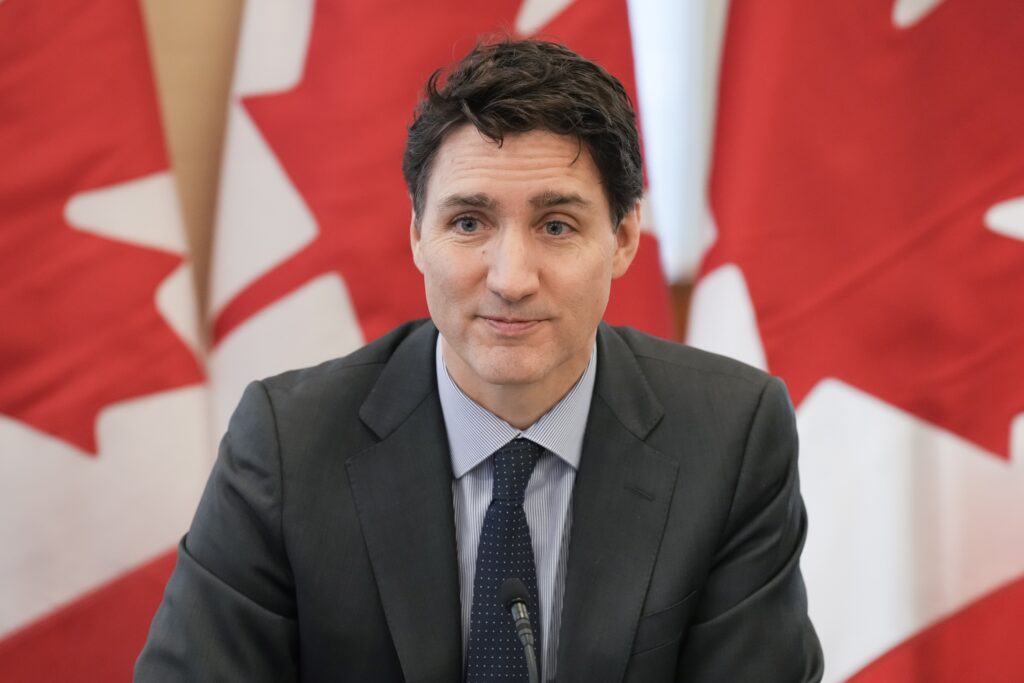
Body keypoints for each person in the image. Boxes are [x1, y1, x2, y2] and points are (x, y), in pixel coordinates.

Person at [135, 39, 823, 682]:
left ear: (623, 239)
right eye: (469, 223)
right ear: (416, 235)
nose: (510, 278)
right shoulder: (287, 443)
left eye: (557, 226)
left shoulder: (732, 435)